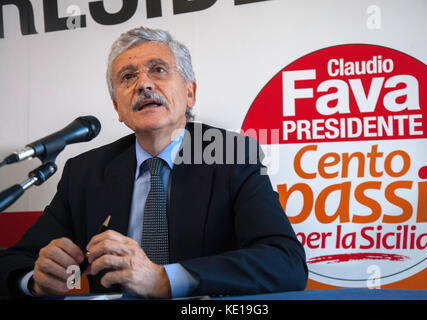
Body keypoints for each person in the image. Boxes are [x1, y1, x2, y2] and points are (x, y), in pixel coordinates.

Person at [0, 27, 308, 298]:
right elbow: (13, 264)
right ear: (117, 108)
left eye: (158, 70)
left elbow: (285, 262)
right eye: (128, 77)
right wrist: (36, 281)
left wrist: (164, 279)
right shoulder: (85, 172)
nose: (143, 84)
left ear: (190, 92)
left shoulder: (231, 154)